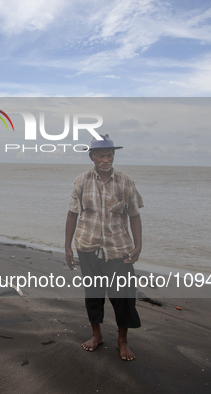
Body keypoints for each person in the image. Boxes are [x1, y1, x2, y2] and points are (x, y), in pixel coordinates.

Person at [64, 134, 143, 361]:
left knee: (124, 297)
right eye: (101, 155)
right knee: (94, 294)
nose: (105, 159)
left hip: (119, 250)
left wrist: (138, 246)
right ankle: (96, 335)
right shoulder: (81, 181)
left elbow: (134, 216)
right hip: (87, 247)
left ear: (113, 156)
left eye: (109, 155)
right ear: (92, 157)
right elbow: (72, 215)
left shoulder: (125, 182)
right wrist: (67, 247)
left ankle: (122, 340)